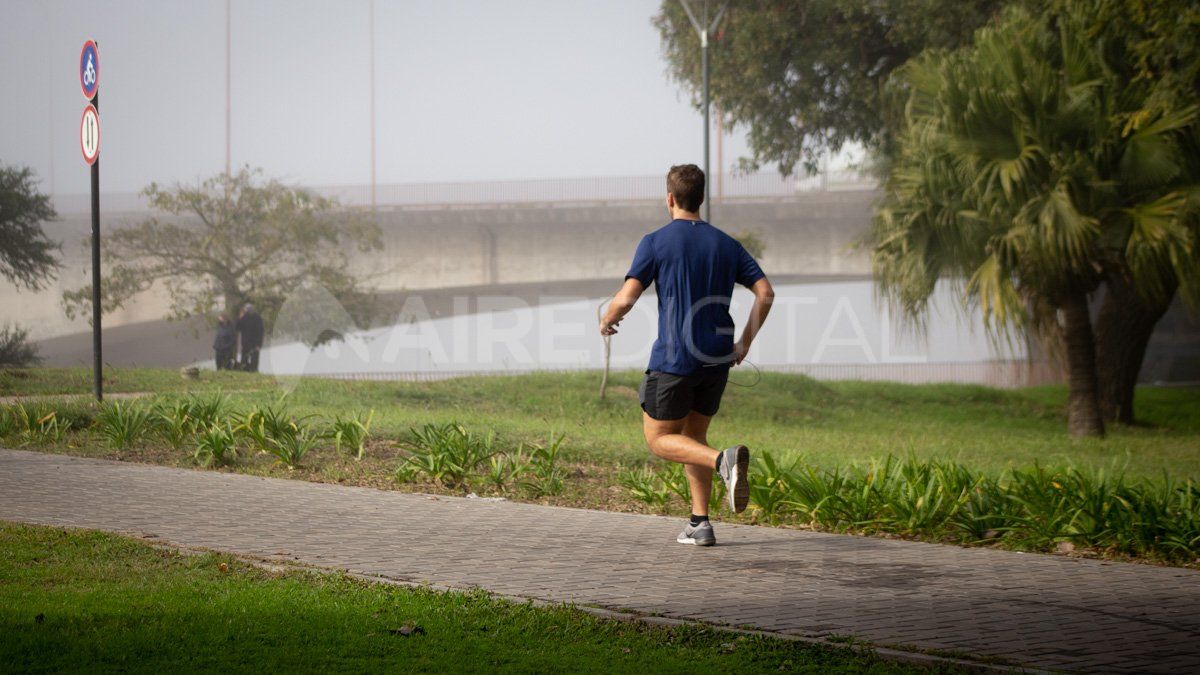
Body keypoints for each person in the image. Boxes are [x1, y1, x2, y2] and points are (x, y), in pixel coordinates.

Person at [600, 164, 774, 547]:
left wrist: (608, 319)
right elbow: (765, 293)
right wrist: (744, 343)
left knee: (659, 439)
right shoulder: (727, 244)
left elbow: (626, 298)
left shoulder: (655, 242)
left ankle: (722, 461)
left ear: (670, 198)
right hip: (717, 358)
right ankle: (700, 523)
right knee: (695, 437)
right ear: (701, 198)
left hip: (675, 360)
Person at [237, 303, 265, 373]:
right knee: (244, 359)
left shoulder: (257, 318)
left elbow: (260, 332)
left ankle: (253, 371)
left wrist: (259, 344)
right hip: (245, 343)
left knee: (254, 360)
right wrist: (239, 318)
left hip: (255, 343)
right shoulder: (244, 318)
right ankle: (244, 371)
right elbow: (237, 328)